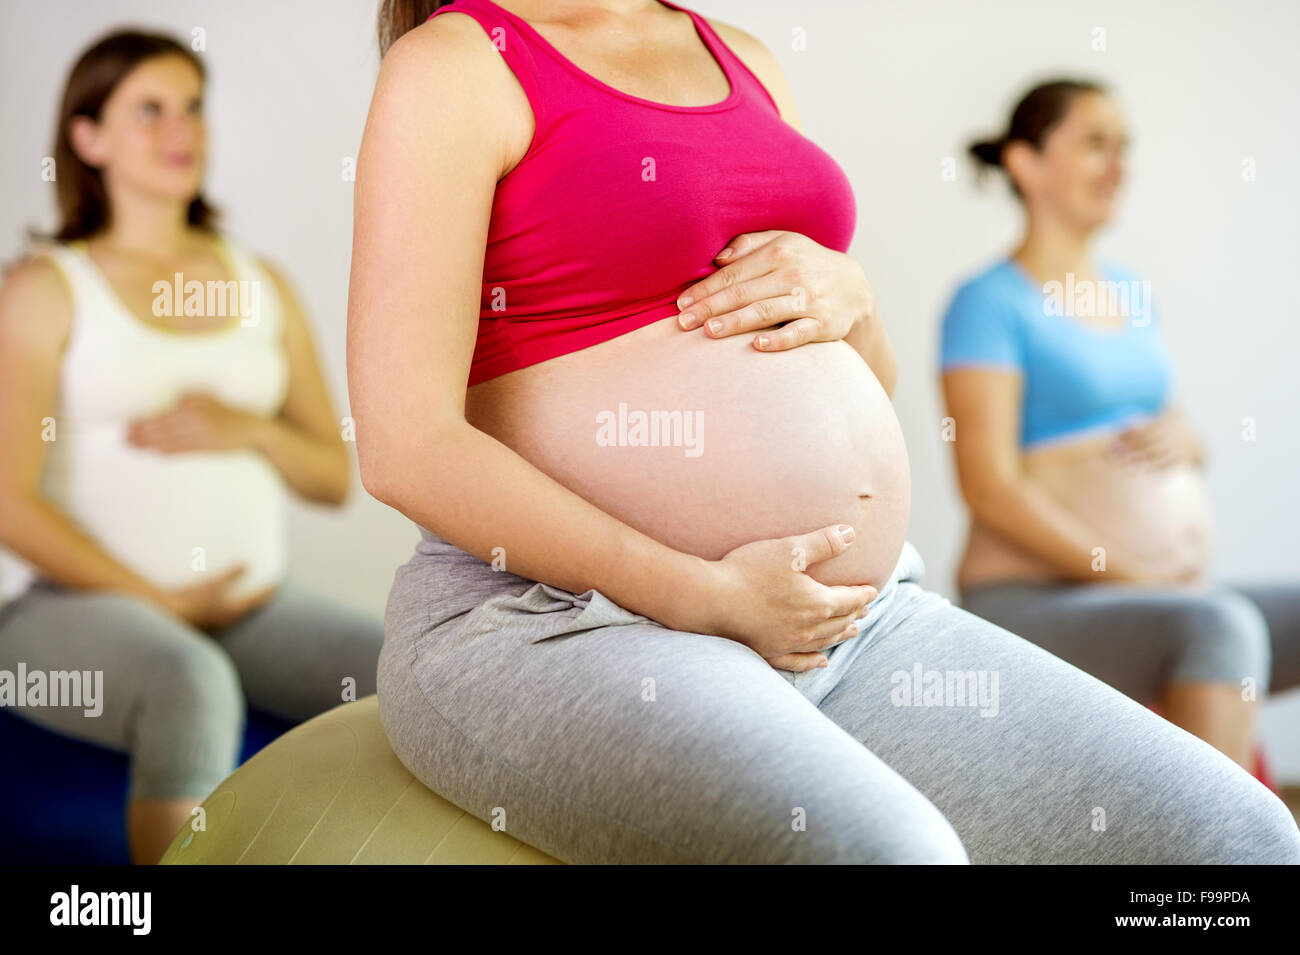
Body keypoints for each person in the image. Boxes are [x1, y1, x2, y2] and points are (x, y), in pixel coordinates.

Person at [352, 1, 1300, 863]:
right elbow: (407, 445)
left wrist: (854, 298)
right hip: (556, 619)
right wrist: (706, 593)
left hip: (850, 622)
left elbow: (867, 380)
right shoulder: (462, 64)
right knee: (890, 855)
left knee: (1232, 839)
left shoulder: (746, 61)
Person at [0, 30, 384, 865]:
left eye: (194, 107)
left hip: (248, 606)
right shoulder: (44, 287)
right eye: (150, 109)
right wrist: (157, 600)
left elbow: (331, 476)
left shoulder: (262, 283)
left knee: (408, 670)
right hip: (63, 613)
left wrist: (247, 427)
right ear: (88, 136)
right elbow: (7, 501)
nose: (182, 129)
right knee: (189, 680)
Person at [938, 78, 1300, 774]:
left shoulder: (1134, 295)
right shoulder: (986, 304)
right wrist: (1129, 572)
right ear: (1025, 162)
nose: (1119, 165)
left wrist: (1191, 440)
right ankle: (1213, 870)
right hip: (1031, 602)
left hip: (1159, 593)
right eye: (1095, 143)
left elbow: (1165, 423)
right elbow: (987, 484)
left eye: (1125, 146)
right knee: (1218, 624)